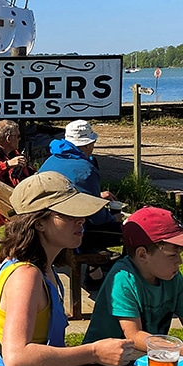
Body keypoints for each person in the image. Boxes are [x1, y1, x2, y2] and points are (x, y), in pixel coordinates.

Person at [0, 171, 135, 366]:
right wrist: (94, 352)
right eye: (69, 213)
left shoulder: (40, 269)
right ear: (39, 222)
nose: (81, 219)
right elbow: (16, 358)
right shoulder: (26, 276)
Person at [82, 206, 183, 363]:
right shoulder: (122, 278)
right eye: (173, 255)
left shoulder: (173, 278)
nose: (179, 262)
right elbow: (134, 335)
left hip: (145, 359)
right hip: (101, 363)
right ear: (142, 254)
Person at [37, 119, 123, 287]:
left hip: (47, 222)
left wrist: (95, 195)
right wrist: (115, 218)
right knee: (120, 230)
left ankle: (95, 273)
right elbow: (97, 217)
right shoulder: (86, 168)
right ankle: (112, 275)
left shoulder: (51, 160)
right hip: (68, 230)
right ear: (88, 144)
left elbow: (67, 191)